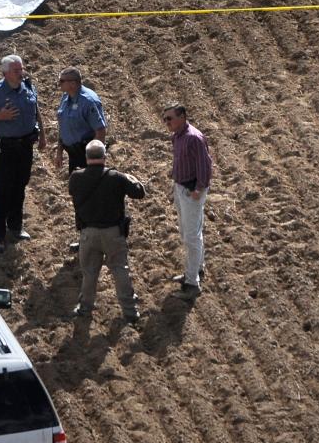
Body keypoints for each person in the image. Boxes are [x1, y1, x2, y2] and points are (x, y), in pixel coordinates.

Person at [0, 54, 46, 252]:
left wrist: (43, 135)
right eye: (16, 70)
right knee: (3, 189)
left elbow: (36, 111)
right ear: (5, 73)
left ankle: (15, 227)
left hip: (25, 145)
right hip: (4, 147)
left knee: (20, 185)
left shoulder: (28, 87)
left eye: (21, 69)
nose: (21, 73)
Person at [68, 140, 145, 323]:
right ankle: (130, 312)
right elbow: (139, 193)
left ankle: (85, 308)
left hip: (88, 233)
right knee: (120, 270)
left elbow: (73, 192)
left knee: (89, 273)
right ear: (105, 157)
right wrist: (132, 178)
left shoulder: (76, 177)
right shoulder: (116, 177)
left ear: (86, 158)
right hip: (113, 233)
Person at [164, 104, 212, 300]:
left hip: (192, 190)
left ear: (182, 116)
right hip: (181, 187)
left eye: (170, 118)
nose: (167, 123)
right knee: (186, 232)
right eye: (165, 119)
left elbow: (205, 165)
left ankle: (192, 283)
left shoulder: (194, 137)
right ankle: (197, 269)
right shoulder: (178, 136)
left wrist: (198, 189)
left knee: (192, 236)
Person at [54, 67, 107, 173]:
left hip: (86, 154)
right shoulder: (65, 97)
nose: (59, 83)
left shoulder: (88, 101)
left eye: (62, 81)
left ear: (73, 84)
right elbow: (63, 125)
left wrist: (93, 160)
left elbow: (100, 131)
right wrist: (59, 152)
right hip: (73, 154)